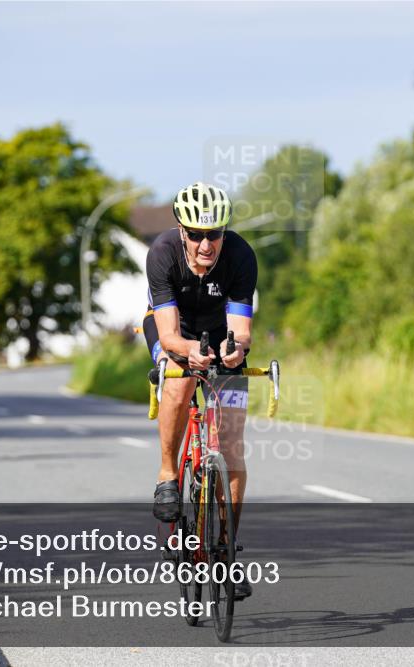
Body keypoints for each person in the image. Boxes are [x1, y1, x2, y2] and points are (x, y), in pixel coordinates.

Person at [142, 182, 257, 598]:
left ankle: (224, 553)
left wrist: (234, 349)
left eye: (215, 234)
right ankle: (168, 472)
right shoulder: (162, 253)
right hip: (174, 330)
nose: (206, 244)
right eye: (196, 234)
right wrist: (190, 352)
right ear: (181, 230)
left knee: (231, 445)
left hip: (218, 332)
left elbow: (241, 329)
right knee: (178, 377)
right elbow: (170, 333)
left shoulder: (241, 255)